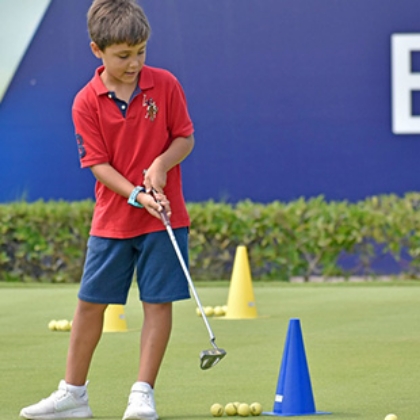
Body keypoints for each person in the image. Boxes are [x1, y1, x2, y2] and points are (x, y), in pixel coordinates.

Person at [20, 0, 195, 419]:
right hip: (113, 220)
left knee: (157, 303)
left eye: (141, 52)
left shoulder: (165, 84)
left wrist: (159, 165)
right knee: (89, 304)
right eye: (123, 55)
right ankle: (73, 395)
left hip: (165, 220)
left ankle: (141, 394)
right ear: (97, 50)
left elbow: (184, 138)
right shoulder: (85, 101)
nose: (134, 62)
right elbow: (98, 166)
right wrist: (137, 195)